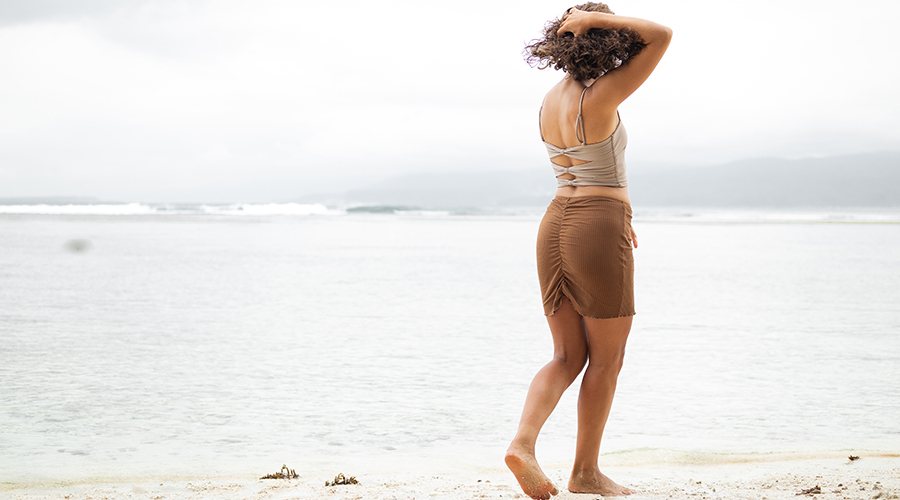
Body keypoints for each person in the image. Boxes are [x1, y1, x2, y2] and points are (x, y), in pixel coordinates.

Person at [505, 4, 671, 499]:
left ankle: (522, 444)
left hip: (556, 221)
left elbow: (584, 167)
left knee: (565, 354)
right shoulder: (602, 93)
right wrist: (596, 19)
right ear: (607, 40)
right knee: (606, 359)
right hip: (597, 224)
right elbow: (662, 34)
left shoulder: (550, 99)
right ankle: (585, 473)